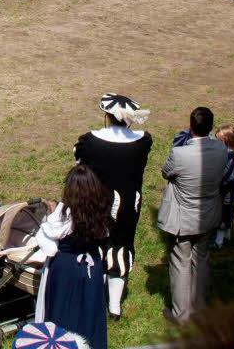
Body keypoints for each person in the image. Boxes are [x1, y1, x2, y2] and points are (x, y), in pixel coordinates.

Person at [74, 93, 153, 319]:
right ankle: (115, 307)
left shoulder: (90, 141)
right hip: (129, 205)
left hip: (98, 203)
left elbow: (79, 163)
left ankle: (96, 299)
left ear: (107, 115)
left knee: (97, 244)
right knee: (122, 246)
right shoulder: (142, 141)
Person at [156, 106, 230, 325]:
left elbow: (165, 172)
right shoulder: (220, 149)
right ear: (211, 127)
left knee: (180, 263)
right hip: (208, 214)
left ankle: (181, 315)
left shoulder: (180, 153)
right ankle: (198, 308)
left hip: (182, 218)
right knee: (201, 259)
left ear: (190, 126)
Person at [34, 164, 111, 349]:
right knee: (90, 315)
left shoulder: (62, 217)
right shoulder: (101, 212)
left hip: (65, 270)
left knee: (63, 316)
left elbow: (49, 246)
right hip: (92, 267)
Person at [214, 123, 234, 249]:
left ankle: (219, 242)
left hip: (226, 192)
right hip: (230, 191)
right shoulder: (233, 154)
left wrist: (218, 182)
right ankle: (227, 237)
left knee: (223, 216)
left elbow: (228, 175)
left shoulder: (230, 156)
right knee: (228, 214)